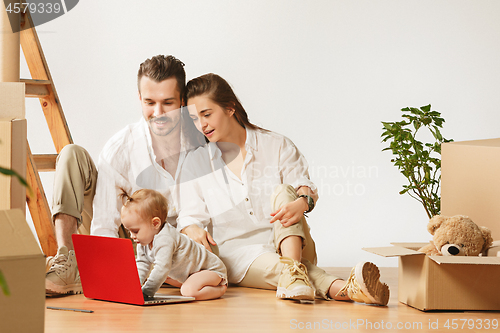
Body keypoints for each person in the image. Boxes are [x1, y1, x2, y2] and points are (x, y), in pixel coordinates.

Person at [175, 73, 389, 305]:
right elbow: (189, 216)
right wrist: (190, 228)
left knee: (284, 192)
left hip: (294, 241)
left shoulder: (276, 145)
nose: (202, 125)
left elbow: (303, 185)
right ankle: (343, 288)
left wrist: (302, 202)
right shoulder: (196, 163)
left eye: (207, 114)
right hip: (239, 256)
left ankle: (296, 275)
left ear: (230, 108)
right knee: (286, 268)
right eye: (195, 119)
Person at [45, 55, 205, 295]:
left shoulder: (200, 141)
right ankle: (66, 262)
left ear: (182, 101)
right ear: (139, 98)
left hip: (175, 246)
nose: (158, 112)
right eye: (150, 102)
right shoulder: (121, 147)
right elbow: (104, 223)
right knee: (71, 154)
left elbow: (199, 213)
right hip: (127, 242)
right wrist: (112, 269)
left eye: (168, 103)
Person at [119, 188, 227, 300]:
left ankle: (220, 289)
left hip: (210, 270)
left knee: (187, 291)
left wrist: (146, 293)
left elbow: (162, 268)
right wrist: (133, 289)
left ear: (155, 223)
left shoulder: (165, 238)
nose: (132, 236)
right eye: (129, 231)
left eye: (135, 231)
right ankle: (196, 283)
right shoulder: (143, 241)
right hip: (191, 274)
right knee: (164, 276)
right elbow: (142, 265)